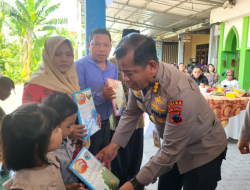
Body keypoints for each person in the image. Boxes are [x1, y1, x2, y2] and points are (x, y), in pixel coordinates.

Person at [96, 33, 227, 190]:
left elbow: (171, 150)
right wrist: (113, 147)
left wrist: (135, 184)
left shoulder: (180, 92)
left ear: (151, 66)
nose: (125, 79)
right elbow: (131, 113)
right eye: (122, 72)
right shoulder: (140, 80)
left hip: (203, 151)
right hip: (172, 147)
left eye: (129, 73)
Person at [21, 36, 90, 158]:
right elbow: (29, 124)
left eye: (69, 54)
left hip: (74, 152)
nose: (65, 59)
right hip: (50, 155)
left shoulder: (72, 80)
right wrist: (67, 131)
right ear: (48, 56)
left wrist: (91, 117)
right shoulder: (35, 84)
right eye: (58, 54)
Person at [108, 29, 145, 187]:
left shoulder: (144, 62)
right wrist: (123, 93)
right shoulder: (111, 62)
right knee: (119, 156)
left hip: (137, 120)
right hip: (117, 119)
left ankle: (133, 184)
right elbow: (109, 85)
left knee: (135, 155)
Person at [1, 103, 66, 190]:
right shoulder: (25, 186)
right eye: (56, 129)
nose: (61, 130)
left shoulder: (48, 156)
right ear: (38, 144)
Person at [75, 28, 118, 155]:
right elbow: (78, 96)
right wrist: (101, 96)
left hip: (107, 122)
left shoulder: (113, 68)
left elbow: (115, 92)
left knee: (103, 158)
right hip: (88, 124)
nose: (101, 49)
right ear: (89, 45)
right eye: (96, 44)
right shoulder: (79, 66)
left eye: (106, 45)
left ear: (110, 47)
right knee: (89, 158)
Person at [43, 92, 93, 190]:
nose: (72, 129)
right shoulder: (46, 155)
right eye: (69, 126)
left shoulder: (64, 140)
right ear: (52, 124)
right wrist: (68, 188)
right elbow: (47, 186)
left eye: (73, 124)